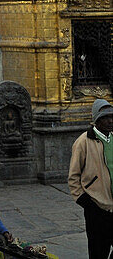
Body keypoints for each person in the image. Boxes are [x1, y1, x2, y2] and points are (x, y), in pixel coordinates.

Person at [68, 98, 113, 259]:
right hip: (96, 208)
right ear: (96, 120)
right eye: (105, 118)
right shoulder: (83, 142)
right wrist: (87, 202)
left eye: (111, 117)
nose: (110, 121)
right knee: (98, 252)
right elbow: (73, 177)